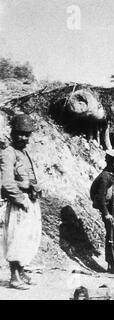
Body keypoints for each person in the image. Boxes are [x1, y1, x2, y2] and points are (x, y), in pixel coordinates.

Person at [0, 114, 42, 290]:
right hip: (19, 203)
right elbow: (7, 182)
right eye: (20, 134)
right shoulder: (8, 154)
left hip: (30, 201)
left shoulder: (24, 153)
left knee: (28, 238)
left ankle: (22, 271)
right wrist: (20, 198)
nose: (24, 138)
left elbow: (29, 176)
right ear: (13, 133)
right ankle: (14, 276)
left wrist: (35, 187)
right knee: (16, 239)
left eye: (27, 134)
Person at [90, 149, 114, 274]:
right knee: (112, 237)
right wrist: (106, 213)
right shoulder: (105, 177)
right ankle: (112, 265)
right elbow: (100, 197)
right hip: (110, 211)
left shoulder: (113, 175)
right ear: (110, 162)